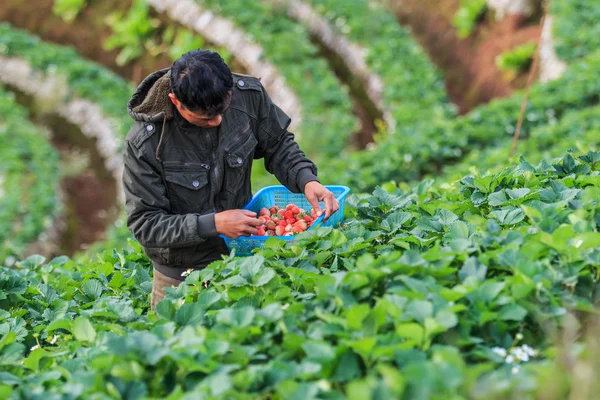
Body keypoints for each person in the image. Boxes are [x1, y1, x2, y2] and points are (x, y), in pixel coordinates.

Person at [123, 49, 339, 310]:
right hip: (181, 273)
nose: (218, 121)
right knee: (178, 345)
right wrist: (212, 223)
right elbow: (145, 223)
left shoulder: (247, 95)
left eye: (223, 110)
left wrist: (306, 180)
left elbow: (278, 143)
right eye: (205, 117)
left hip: (244, 256)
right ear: (175, 101)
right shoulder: (146, 144)